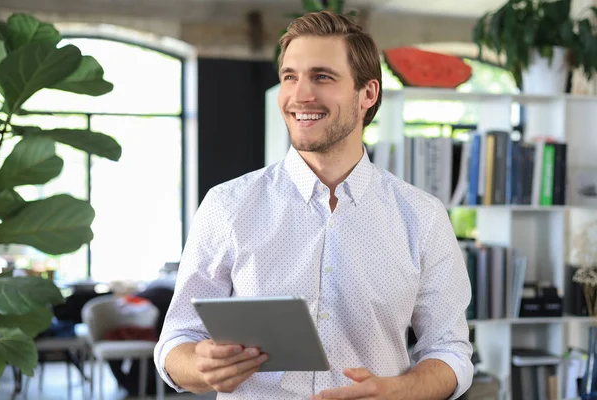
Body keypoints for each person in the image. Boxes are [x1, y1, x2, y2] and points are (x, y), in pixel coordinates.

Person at [154, 10, 473, 400]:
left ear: (367, 94)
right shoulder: (227, 205)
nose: (300, 94)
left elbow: (450, 349)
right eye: (290, 76)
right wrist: (198, 365)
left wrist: (401, 390)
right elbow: (177, 340)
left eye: (322, 76)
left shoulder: (422, 217)